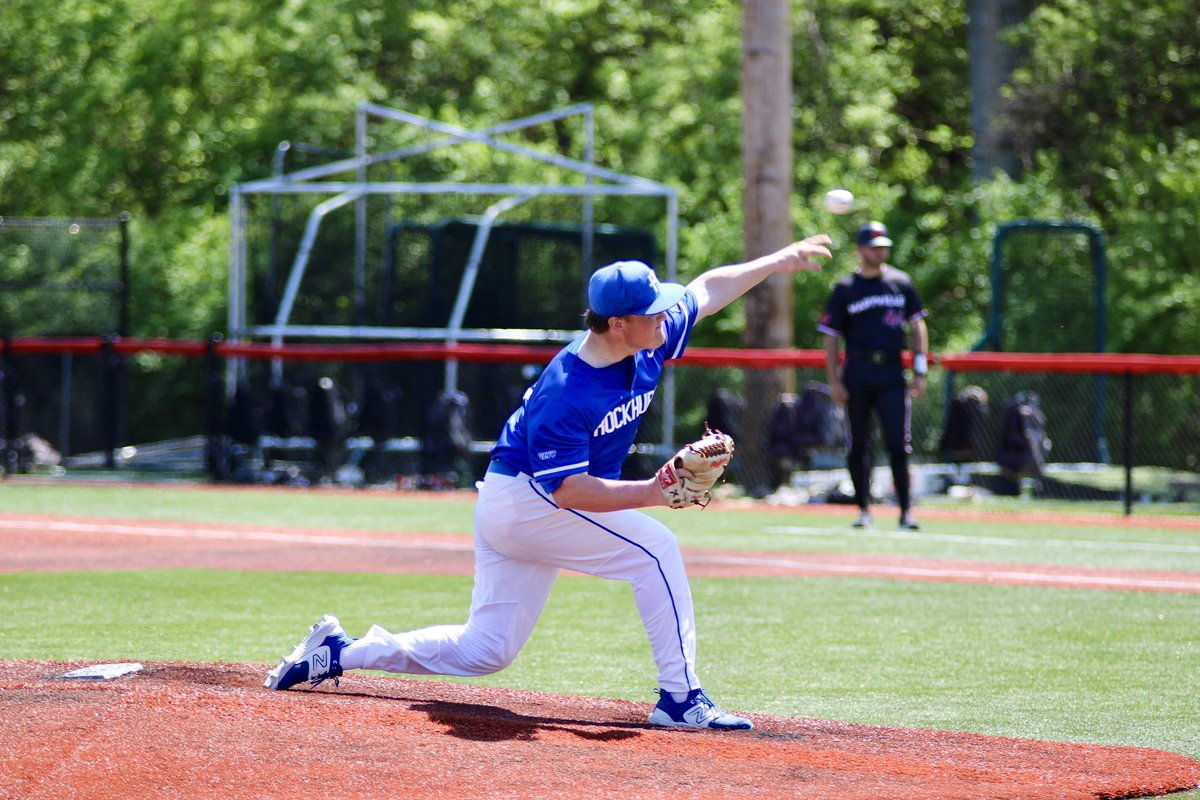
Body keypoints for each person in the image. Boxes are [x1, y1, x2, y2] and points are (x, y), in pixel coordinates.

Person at [265, 235, 834, 731]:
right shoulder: (570, 389)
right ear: (618, 324)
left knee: (486, 650)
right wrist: (653, 493)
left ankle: (342, 651)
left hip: (519, 502)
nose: (666, 317)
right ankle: (681, 699)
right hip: (528, 502)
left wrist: (778, 260)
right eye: (653, 312)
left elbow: (708, 288)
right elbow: (569, 492)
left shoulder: (645, 338)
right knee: (656, 550)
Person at [817, 221, 928, 531]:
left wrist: (920, 370)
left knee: (898, 443)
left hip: (892, 371)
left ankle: (906, 512)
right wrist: (834, 380)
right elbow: (831, 336)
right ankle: (863, 509)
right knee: (859, 444)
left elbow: (918, 326)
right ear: (860, 250)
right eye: (874, 246)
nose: (881, 251)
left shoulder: (901, 283)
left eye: (884, 246)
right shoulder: (846, 288)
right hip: (858, 371)